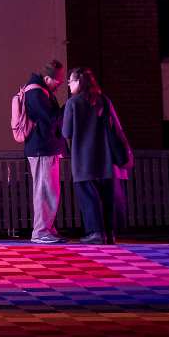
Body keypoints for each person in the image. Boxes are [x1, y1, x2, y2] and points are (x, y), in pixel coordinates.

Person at [60, 67, 130, 244]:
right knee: (107, 197)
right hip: (106, 158)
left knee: (88, 196)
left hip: (83, 160)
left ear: (78, 82)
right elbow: (116, 126)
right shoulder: (104, 100)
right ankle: (109, 233)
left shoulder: (73, 103)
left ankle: (95, 232)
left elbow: (66, 132)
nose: (68, 84)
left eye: (71, 80)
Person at [20, 62, 66, 244]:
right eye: (58, 81)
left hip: (43, 148)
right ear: (47, 79)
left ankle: (47, 229)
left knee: (48, 190)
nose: (60, 85)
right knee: (45, 190)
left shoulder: (37, 91)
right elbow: (50, 119)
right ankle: (41, 231)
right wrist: (67, 107)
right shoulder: (37, 93)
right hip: (42, 148)